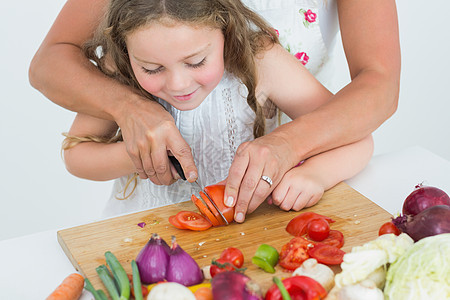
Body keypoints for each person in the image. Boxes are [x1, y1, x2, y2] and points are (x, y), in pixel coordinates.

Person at [29, 0, 400, 222]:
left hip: (259, 226)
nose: (177, 84)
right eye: (153, 69)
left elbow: (359, 136)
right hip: (143, 232)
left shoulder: (262, 60)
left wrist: (314, 174)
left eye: (196, 61)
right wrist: (135, 151)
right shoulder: (123, 64)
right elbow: (77, 155)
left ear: (225, 31)